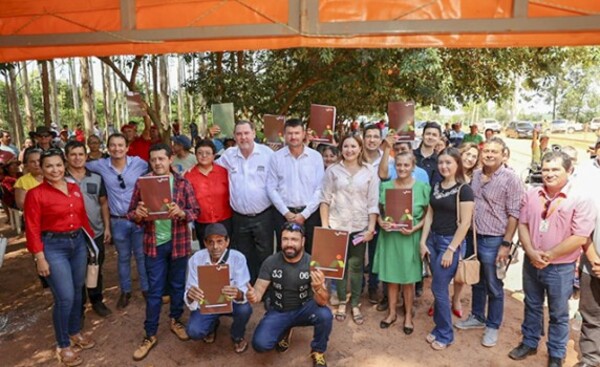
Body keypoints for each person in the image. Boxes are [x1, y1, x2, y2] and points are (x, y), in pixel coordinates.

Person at [508, 151, 595, 367]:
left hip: (560, 267)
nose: (549, 174)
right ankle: (529, 342)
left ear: (569, 171)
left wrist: (548, 255)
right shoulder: (532, 194)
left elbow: (580, 236)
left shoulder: (581, 198)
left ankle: (556, 353)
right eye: (546, 169)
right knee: (532, 304)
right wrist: (530, 252)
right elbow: (523, 224)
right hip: (532, 262)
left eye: (555, 169)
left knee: (558, 312)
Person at [24, 148, 96, 366]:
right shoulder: (35, 194)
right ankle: (63, 344)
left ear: (64, 165)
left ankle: (75, 332)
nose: (54, 170)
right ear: (41, 169)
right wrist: (40, 257)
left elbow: (82, 218)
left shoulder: (73, 188)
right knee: (64, 297)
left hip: (78, 245)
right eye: (48, 166)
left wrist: (92, 245)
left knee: (76, 292)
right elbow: (32, 228)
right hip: (53, 248)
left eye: (57, 165)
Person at [129, 143, 200, 361]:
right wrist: (138, 214)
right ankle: (150, 333)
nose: (158, 163)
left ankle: (176, 320)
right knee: (155, 290)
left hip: (178, 244)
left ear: (170, 160)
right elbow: (130, 213)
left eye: (162, 159)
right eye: (154, 160)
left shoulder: (182, 183)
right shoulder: (143, 184)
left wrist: (182, 213)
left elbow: (195, 210)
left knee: (178, 284)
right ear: (150, 162)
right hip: (154, 245)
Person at [455, 138, 524, 348]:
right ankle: (477, 316)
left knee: (494, 285)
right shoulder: (475, 175)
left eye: (495, 152)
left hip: (495, 239)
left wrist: (506, 243)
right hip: (474, 237)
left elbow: (514, 214)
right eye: (487, 151)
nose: (490, 155)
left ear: (503, 155)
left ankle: (493, 325)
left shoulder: (511, 179)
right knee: (477, 280)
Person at [248, 222, 332, 367]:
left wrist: (318, 288)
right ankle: (285, 329)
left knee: (325, 315)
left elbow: (323, 301)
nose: (289, 244)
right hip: (279, 310)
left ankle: (318, 350)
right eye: (285, 239)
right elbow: (258, 290)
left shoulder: (313, 263)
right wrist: (253, 296)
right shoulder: (271, 262)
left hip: (305, 308)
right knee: (260, 344)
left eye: (294, 239)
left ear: (303, 241)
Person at [320, 134, 379, 325]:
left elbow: (372, 202)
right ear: (341, 149)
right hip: (337, 226)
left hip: (360, 227)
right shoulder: (332, 171)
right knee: (340, 268)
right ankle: (342, 303)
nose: (349, 150)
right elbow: (325, 199)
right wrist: (325, 227)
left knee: (356, 267)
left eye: (353, 146)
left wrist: (371, 228)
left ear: (360, 148)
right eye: (346, 146)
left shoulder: (369, 171)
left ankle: (355, 303)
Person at [419, 147, 474, 350]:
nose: (444, 166)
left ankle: (446, 334)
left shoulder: (464, 190)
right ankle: (439, 328)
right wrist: (423, 241)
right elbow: (430, 216)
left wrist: (451, 249)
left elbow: (465, 223)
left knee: (439, 289)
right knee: (437, 286)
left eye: (448, 162)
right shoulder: (436, 186)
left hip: (450, 243)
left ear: (457, 164)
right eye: (441, 162)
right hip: (433, 240)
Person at [87, 133, 149, 309]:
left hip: (138, 218)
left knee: (141, 256)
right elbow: (78, 165)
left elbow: (157, 167)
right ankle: (126, 291)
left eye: (121, 145)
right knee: (123, 257)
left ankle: (146, 289)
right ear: (107, 148)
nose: (117, 149)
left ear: (127, 147)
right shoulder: (100, 165)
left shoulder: (139, 163)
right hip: (117, 220)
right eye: (113, 145)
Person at [374, 152, 430, 334]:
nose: (402, 169)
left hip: (410, 237)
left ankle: (408, 316)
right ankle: (391, 313)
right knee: (391, 279)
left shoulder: (422, 187)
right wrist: (381, 222)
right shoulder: (386, 186)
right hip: (391, 237)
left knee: (409, 280)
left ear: (413, 166)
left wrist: (416, 228)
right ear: (394, 166)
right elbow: (380, 211)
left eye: (406, 165)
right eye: (399, 165)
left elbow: (429, 215)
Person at [217, 121, 274, 283]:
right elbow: (212, 170)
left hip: (264, 215)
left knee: (265, 255)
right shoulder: (228, 155)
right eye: (239, 134)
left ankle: (266, 291)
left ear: (254, 134)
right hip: (239, 217)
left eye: (246, 133)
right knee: (243, 254)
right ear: (234, 136)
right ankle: (246, 288)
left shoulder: (267, 154)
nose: (243, 137)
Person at [185, 223, 252, 353]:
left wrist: (238, 293)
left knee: (245, 309)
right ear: (205, 243)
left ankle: (237, 336)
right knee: (194, 331)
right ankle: (211, 326)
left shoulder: (238, 258)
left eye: (220, 241)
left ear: (227, 242)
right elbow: (190, 290)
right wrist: (190, 295)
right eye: (210, 242)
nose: (215, 247)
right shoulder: (195, 260)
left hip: (231, 303)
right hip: (207, 304)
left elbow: (244, 291)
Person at [64, 141, 112, 318]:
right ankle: (79, 305)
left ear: (86, 156)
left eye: (80, 154)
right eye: (73, 154)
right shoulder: (60, 179)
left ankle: (96, 300)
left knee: (95, 268)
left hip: (95, 232)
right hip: (71, 234)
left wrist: (107, 227)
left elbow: (103, 203)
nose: (77, 158)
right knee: (76, 271)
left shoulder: (96, 177)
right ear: (66, 157)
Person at [268, 118, 324, 254]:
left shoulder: (315, 157)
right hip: (283, 213)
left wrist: (304, 214)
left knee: (311, 250)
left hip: (310, 213)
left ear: (304, 134)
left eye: (297, 133)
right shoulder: (276, 157)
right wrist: (286, 212)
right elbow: (271, 188)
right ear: (285, 135)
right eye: (290, 133)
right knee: (285, 251)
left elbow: (320, 188)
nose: (293, 137)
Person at [571, 140, 600, 367]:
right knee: (591, 315)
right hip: (593, 262)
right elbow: (580, 222)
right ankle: (590, 359)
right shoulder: (585, 175)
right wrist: (592, 257)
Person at [185, 139, 233, 245]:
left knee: (226, 252)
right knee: (206, 254)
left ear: (214, 155)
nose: (204, 156)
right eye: (200, 153)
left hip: (225, 220)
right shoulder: (188, 176)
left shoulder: (224, 172)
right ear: (195, 155)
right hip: (202, 222)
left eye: (208, 153)